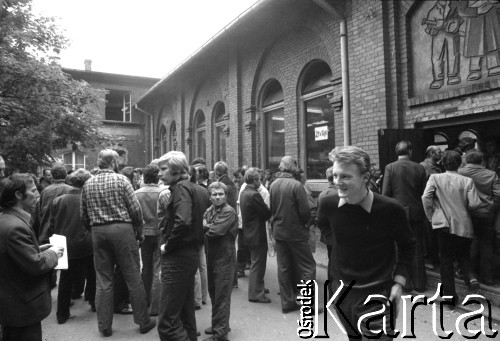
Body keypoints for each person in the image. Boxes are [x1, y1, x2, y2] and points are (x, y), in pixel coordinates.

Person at [320, 146, 416, 339]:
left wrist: (399, 283)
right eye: (335, 176)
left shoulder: (390, 209)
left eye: (346, 177)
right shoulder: (328, 204)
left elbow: (408, 246)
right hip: (342, 294)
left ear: (365, 177)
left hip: (377, 293)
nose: (338, 182)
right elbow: (324, 228)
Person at [81, 149, 155, 337]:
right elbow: (135, 211)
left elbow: (83, 214)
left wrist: (94, 229)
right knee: (132, 276)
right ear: (113, 163)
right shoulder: (122, 180)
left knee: (104, 279)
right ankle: (143, 321)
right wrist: (139, 232)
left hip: (98, 231)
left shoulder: (88, 183)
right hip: (122, 229)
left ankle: (104, 326)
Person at [0, 174, 63, 341]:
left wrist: (37, 249)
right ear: (19, 195)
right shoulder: (15, 227)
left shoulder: (7, 219)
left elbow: (12, 256)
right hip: (22, 307)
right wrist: (53, 253)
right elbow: (36, 265)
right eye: (34, 191)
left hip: (14, 305)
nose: (38, 195)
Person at [422, 150, 482, 301]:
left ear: (443, 163)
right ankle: (471, 278)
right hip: (464, 224)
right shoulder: (467, 181)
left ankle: (449, 296)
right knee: (464, 256)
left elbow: (425, 197)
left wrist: (431, 216)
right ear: (459, 163)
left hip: (444, 225)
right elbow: (475, 204)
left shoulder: (435, 178)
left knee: (446, 260)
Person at [157, 151, 205, 341]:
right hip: (188, 256)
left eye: (163, 169)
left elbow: (183, 222)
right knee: (185, 314)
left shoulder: (181, 189)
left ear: (177, 169)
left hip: (178, 257)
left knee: (167, 323)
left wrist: (168, 246)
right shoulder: (194, 188)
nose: (159, 173)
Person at [269, 156, 316, 314]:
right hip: (296, 232)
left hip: (279, 231)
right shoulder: (296, 185)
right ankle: (308, 304)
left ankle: (287, 302)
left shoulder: (273, 184)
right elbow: (305, 211)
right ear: (293, 167)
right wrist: (307, 224)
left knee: (283, 267)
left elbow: (272, 209)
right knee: (308, 267)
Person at [49, 169, 96, 324]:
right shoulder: (89, 199)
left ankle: (62, 314)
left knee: (65, 279)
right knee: (92, 274)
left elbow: (52, 223)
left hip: (64, 243)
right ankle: (94, 303)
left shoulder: (58, 200)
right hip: (87, 242)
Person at [382, 140, 427, 292]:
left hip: (398, 212)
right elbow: (423, 192)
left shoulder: (390, 167)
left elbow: (386, 193)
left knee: (400, 248)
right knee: (417, 247)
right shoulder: (419, 167)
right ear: (410, 151)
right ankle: (420, 284)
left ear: (397, 152)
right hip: (416, 212)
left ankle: (405, 283)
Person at [458, 149, 500, 286]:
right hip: (486, 214)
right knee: (486, 245)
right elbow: (498, 195)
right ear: (482, 160)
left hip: (466, 215)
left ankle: (468, 274)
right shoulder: (491, 174)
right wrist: (490, 207)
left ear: (467, 160)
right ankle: (487, 277)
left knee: (467, 244)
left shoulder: (460, 173)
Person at [203, 181, 238, 341]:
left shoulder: (229, 211)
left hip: (225, 257)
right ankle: (219, 324)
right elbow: (209, 227)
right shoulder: (210, 210)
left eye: (221, 194)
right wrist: (208, 225)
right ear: (210, 197)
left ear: (226, 195)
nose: (217, 197)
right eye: (214, 194)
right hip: (212, 256)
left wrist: (206, 226)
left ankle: (220, 335)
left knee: (222, 295)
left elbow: (215, 231)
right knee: (214, 292)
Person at [134, 164, 164, 316]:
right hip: (159, 232)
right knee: (158, 268)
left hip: (144, 233)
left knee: (146, 267)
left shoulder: (137, 193)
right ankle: (156, 306)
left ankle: (146, 300)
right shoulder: (163, 192)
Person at [240, 167, 272, 304]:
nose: (261, 181)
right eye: (259, 179)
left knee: (255, 263)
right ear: (254, 180)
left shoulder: (244, 192)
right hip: (257, 233)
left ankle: (257, 288)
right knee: (258, 264)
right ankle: (256, 294)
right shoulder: (254, 195)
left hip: (249, 232)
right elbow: (266, 213)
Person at [189, 166, 210, 311]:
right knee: (202, 266)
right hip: (202, 231)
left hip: (191, 232)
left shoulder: (186, 191)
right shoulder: (203, 190)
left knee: (194, 267)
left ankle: (196, 299)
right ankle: (203, 296)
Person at [420, 145, 443, 270]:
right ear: (431, 154)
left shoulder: (439, 167)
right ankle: (430, 258)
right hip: (428, 203)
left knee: (435, 232)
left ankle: (435, 256)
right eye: (439, 152)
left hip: (438, 203)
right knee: (429, 232)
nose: (441, 154)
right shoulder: (423, 166)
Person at [316, 166, 338, 297]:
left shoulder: (322, 194)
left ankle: (332, 292)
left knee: (331, 262)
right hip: (339, 236)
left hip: (328, 236)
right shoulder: (339, 194)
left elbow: (319, 218)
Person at [37, 165, 72, 245]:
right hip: (65, 232)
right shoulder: (70, 190)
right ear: (66, 175)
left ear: (52, 176)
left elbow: (40, 212)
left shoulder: (45, 191)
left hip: (47, 233)